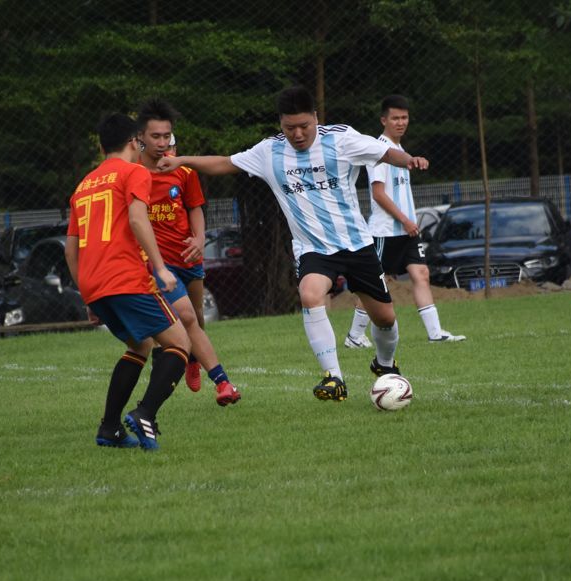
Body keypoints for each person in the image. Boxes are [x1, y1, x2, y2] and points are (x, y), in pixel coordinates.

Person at [156, 86, 429, 402]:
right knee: (310, 294)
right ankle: (333, 377)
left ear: (315, 118)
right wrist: (182, 161)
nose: (297, 134)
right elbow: (225, 163)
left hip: (357, 244)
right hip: (313, 248)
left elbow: (384, 152)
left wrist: (409, 160)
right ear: (281, 124)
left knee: (385, 318)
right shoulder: (269, 151)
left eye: (304, 126)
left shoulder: (341, 139)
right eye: (290, 128)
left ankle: (384, 364)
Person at [65, 112, 192, 450]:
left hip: (94, 284)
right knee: (180, 344)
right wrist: (161, 268)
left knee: (140, 345)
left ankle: (109, 429)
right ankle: (145, 413)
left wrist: (87, 294)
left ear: (101, 147)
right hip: (126, 278)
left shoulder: (83, 186)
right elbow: (137, 219)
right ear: (135, 142)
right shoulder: (134, 172)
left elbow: (71, 249)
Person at [135, 98, 241, 406]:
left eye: (166, 136)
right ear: (141, 137)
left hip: (187, 256)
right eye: (155, 136)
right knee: (184, 316)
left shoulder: (182, 171)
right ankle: (222, 383)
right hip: (157, 263)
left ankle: (193, 359)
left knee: (196, 318)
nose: (162, 143)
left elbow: (195, 208)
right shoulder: (132, 173)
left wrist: (198, 238)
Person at [344, 95, 465, 347]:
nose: (400, 122)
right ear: (383, 120)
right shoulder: (379, 150)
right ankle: (354, 336)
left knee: (421, 274)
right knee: (376, 282)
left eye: (404, 118)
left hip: (407, 230)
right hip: (385, 231)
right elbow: (378, 194)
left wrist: (409, 222)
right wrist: (405, 220)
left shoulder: (400, 152)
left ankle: (435, 334)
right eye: (395, 118)